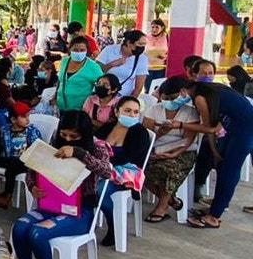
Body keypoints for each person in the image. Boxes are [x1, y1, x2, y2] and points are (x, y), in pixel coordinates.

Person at [13, 111, 113, 259]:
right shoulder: (53, 143)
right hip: (48, 206)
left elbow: (107, 172)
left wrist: (79, 153)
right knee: (20, 228)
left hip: (79, 213)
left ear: (84, 134)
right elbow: (32, 171)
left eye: (74, 136)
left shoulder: (98, 148)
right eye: (64, 134)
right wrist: (33, 187)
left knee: (37, 233)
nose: (67, 139)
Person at [186, 81, 253, 228]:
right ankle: (218, 206)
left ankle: (214, 217)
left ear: (184, 90)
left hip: (245, 129)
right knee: (223, 166)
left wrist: (181, 125)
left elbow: (208, 127)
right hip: (238, 125)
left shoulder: (200, 97)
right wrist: (215, 150)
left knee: (229, 170)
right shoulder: (213, 89)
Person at [93, 96, 150, 247]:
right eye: (127, 111)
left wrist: (101, 165)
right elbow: (93, 145)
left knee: (100, 190)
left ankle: (113, 227)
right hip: (102, 168)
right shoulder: (108, 127)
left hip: (126, 175)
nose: (132, 115)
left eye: (135, 112)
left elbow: (127, 159)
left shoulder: (140, 133)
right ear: (117, 112)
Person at [140, 78, 198, 223]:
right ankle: (170, 199)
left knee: (169, 169)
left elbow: (188, 139)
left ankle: (162, 207)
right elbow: (146, 136)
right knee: (141, 172)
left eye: (173, 98)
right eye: (166, 98)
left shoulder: (190, 113)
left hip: (183, 151)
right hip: (156, 148)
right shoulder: (154, 110)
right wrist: (162, 132)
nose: (169, 101)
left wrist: (173, 153)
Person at [0, 101, 42, 210]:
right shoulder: (5, 131)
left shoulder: (31, 131)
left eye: (28, 116)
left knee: (13, 163)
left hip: (26, 163)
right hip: (9, 160)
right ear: (13, 119)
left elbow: (37, 151)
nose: (27, 119)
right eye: (23, 117)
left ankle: (7, 194)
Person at [55, 36, 103, 112]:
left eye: (82, 50)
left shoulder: (94, 67)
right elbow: (60, 81)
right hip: (59, 107)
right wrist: (55, 96)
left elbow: (102, 85)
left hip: (80, 111)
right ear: (70, 49)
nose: (79, 52)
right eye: (75, 50)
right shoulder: (64, 61)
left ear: (87, 51)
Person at [97, 29, 149, 97]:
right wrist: (112, 64)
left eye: (144, 44)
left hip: (123, 97)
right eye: (139, 44)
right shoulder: (109, 50)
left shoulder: (142, 58)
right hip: (103, 95)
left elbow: (138, 88)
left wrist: (128, 102)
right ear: (129, 43)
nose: (142, 47)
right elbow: (96, 70)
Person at [145, 19, 168, 85]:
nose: (154, 29)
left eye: (157, 27)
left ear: (162, 27)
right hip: (148, 68)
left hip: (161, 68)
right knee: (148, 89)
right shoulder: (146, 37)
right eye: (153, 27)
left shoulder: (166, 37)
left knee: (157, 88)